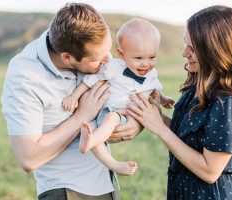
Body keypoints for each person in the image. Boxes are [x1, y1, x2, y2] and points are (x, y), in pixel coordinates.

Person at [1, 3, 142, 200]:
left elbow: (127, 91)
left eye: (107, 53)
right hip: (66, 191)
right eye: (98, 59)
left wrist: (136, 124)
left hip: (105, 184)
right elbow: (28, 158)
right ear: (67, 57)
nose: (107, 61)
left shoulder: (92, 52)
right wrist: (81, 117)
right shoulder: (25, 76)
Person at [127, 5, 232, 199]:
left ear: (214, 52)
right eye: (185, 44)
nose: (184, 53)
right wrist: (156, 116)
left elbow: (210, 172)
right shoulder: (196, 86)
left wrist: (159, 128)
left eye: (192, 49)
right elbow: (186, 138)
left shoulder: (226, 99)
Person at [62, 18, 175, 176]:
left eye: (152, 57)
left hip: (129, 114)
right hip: (109, 111)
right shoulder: (113, 67)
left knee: (111, 121)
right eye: (138, 58)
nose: (146, 64)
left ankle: (93, 142)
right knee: (96, 125)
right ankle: (110, 160)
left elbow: (155, 89)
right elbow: (91, 80)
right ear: (121, 54)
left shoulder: (152, 74)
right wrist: (74, 96)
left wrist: (164, 99)